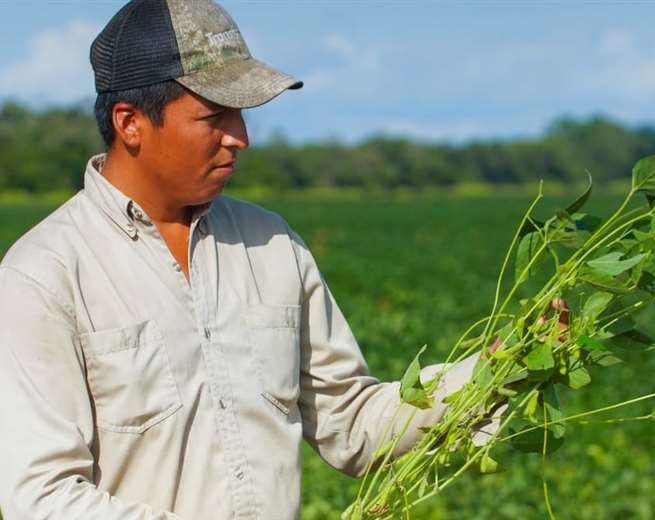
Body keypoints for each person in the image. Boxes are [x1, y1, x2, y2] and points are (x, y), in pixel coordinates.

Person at [0, 1, 480, 518]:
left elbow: (353, 422)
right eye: (214, 116)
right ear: (130, 123)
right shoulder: (44, 275)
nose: (241, 138)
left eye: (242, 114)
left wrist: (499, 368)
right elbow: (41, 496)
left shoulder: (272, 244)